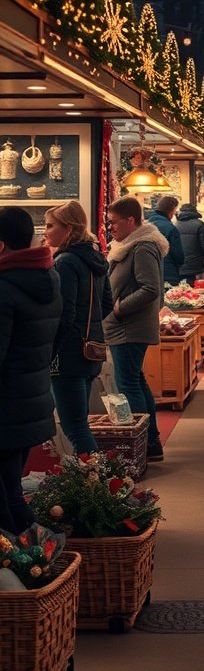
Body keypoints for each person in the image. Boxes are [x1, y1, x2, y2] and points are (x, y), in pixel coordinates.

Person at [0, 206, 62, 532]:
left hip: (7, 406)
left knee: (8, 496)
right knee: (11, 488)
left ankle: (34, 563)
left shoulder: (5, 287)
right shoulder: (48, 277)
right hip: (31, 399)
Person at [103, 195, 169, 462]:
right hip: (126, 326)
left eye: (114, 222)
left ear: (131, 220)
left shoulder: (142, 247)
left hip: (129, 327)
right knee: (135, 380)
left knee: (128, 383)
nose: (110, 228)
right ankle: (150, 441)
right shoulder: (128, 245)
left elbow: (150, 288)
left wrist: (119, 308)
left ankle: (143, 443)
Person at [44, 201, 113, 454]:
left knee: (74, 426)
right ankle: (95, 480)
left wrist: (50, 349)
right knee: (79, 421)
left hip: (68, 355)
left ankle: (101, 482)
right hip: (90, 348)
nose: (46, 230)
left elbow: (65, 312)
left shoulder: (65, 262)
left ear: (68, 228)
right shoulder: (95, 258)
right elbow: (107, 304)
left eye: (51, 225)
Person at [147, 194, 185, 286]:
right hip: (168, 273)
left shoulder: (147, 226)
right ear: (172, 210)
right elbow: (179, 255)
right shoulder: (171, 228)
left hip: (149, 272)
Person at [176, 202, 204, 284]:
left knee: (181, 290)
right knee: (194, 289)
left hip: (180, 264)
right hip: (195, 264)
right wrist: (199, 257)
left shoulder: (176, 225)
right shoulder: (200, 224)